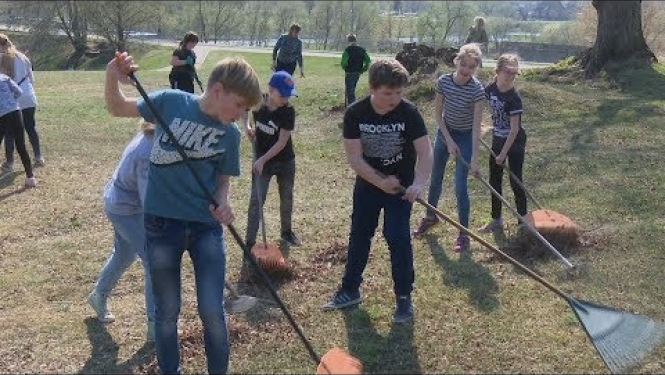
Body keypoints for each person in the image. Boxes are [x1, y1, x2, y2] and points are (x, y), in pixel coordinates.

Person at [105, 51, 262, 374]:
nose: (241, 114)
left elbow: (222, 180)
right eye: (240, 106)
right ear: (218, 90)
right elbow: (117, 107)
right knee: (167, 312)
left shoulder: (230, 134)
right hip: (162, 226)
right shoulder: (171, 103)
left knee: (212, 310)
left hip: (206, 228)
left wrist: (223, 201)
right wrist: (111, 74)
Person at [321, 59, 433, 324]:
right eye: (387, 93)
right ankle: (350, 289)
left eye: (399, 93)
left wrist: (418, 184)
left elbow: (425, 152)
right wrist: (380, 181)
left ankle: (404, 298)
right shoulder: (355, 113)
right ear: (372, 88)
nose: (394, 99)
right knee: (360, 234)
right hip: (368, 185)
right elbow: (355, 158)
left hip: (401, 188)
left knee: (397, 237)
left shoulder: (409, 113)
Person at [87, 119, 156, 342]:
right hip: (126, 210)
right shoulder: (148, 149)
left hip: (118, 203)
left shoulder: (148, 136)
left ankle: (98, 295)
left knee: (124, 254)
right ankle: (156, 327)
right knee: (153, 262)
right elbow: (149, 203)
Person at [413, 43, 486, 253]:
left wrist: (473, 160)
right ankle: (430, 216)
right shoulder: (444, 82)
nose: (466, 70)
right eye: (463, 64)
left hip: (465, 136)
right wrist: (448, 140)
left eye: (471, 67)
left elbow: (475, 128)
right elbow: (437, 115)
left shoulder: (477, 90)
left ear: (476, 68)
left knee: (460, 185)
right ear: (457, 62)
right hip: (445, 132)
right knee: (435, 177)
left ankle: (464, 233)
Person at [243, 70, 300, 260]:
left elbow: (282, 142)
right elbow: (245, 110)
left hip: (284, 161)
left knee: (287, 197)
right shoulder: (258, 103)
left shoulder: (288, 111)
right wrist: (248, 128)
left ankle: (286, 232)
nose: (285, 98)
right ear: (271, 89)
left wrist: (261, 159)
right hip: (262, 162)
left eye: (288, 95)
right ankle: (249, 242)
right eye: (282, 94)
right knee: (256, 201)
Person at [478, 53, 527, 233]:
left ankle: (523, 221)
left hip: (514, 143)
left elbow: (514, 130)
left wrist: (502, 154)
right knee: (494, 180)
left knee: (516, 181)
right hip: (498, 139)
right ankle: (496, 219)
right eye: (507, 72)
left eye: (514, 73)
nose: (511, 76)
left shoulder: (514, 98)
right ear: (497, 71)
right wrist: (482, 126)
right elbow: (480, 109)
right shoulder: (490, 89)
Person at [0, 35, 43, 172]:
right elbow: (31, 78)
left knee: (9, 132)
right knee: (31, 127)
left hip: (13, 98)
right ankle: (38, 156)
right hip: (29, 96)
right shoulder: (23, 57)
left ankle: (10, 163)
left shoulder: (3, 59)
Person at [0, 56, 36, 188]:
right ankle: (30, 177)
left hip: (1, 116)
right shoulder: (5, 78)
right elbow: (19, 92)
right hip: (15, 112)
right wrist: (11, 102)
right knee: (21, 146)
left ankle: (9, 163)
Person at [341, 33, 371, 106]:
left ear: (348, 40)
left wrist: (345, 68)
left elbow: (343, 62)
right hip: (357, 72)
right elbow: (368, 60)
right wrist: (363, 69)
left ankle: (352, 106)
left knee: (350, 91)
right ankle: (351, 105)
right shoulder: (362, 50)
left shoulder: (347, 50)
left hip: (349, 72)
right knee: (352, 88)